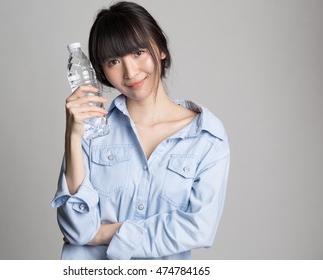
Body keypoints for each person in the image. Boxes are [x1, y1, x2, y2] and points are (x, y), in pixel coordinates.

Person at [51, 1, 230, 260]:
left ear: (160, 49)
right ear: (102, 71)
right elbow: (77, 229)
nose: (130, 71)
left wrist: (104, 233)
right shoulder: (93, 130)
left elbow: (199, 229)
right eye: (114, 61)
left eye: (138, 53)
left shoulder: (205, 137)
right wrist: (73, 136)